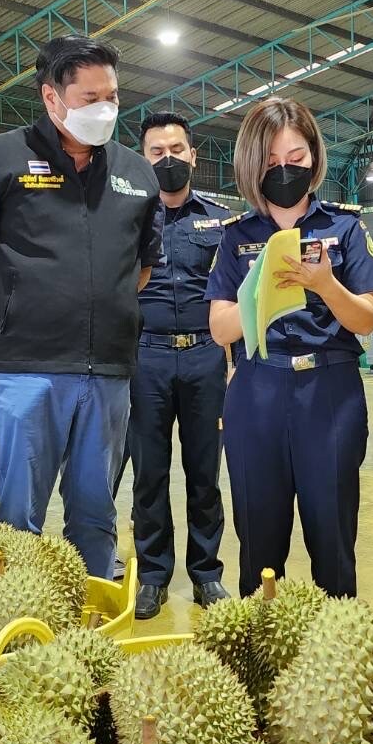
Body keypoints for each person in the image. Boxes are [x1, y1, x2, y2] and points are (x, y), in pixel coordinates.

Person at [0, 36, 160, 579]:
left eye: (112, 97)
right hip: (26, 373)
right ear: (51, 98)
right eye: (89, 98)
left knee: (96, 512)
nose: (104, 109)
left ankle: (92, 621)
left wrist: (102, 311)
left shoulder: (136, 172)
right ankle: (18, 626)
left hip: (107, 373)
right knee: (19, 518)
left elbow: (143, 265)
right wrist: (7, 321)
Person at [206, 97, 373, 597]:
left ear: (314, 159)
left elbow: (367, 320)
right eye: (271, 161)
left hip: (329, 390)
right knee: (258, 530)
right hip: (257, 386)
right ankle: (258, 646)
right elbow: (220, 328)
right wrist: (260, 292)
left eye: (296, 158)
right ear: (251, 164)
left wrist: (326, 285)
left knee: (332, 527)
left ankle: (338, 640)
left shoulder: (345, 229)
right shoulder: (236, 238)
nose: (284, 170)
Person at [123, 111, 233, 619]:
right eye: (156, 153)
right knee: (148, 473)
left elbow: (237, 294)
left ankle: (207, 574)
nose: (169, 159)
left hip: (206, 357)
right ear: (144, 160)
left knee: (204, 472)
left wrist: (234, 361)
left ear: (193, 155)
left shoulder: (220, 221)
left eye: (177, 150)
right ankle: (151, 575)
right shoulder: (128, 218)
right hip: (144, 356)